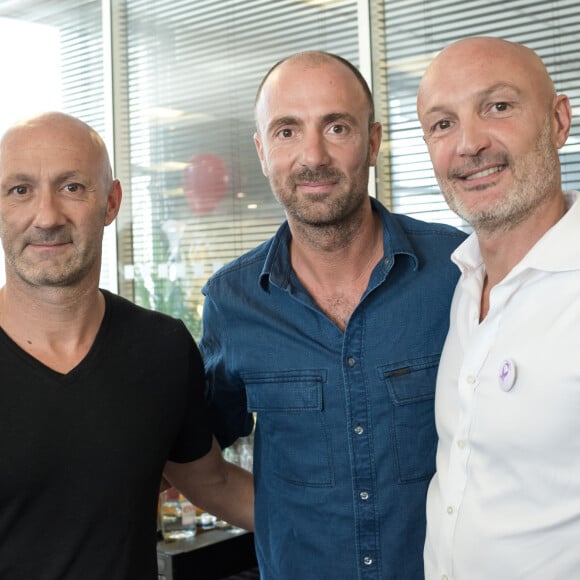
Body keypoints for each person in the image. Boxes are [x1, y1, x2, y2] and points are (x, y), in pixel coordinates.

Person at [200, 51, 466, 579]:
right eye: (286, 131)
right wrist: (283, 519)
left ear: (372, 142)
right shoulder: (231, 301)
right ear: (261, 151)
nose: (312, 155)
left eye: (337, 126)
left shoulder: (460, 270)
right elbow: (197, 457)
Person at [0, 111, 253, 580]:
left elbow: (213, 483)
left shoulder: (161, 348)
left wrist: (361, 514)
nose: (47, 216)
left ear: (111, 202)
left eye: (72, 187)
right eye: (20, 190)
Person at [417, 37, 579, 579]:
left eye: (499, 107)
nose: (468, 144)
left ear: (558, 121)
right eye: (442, 123)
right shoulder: (460, 281)